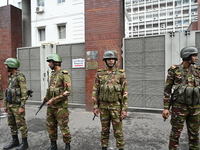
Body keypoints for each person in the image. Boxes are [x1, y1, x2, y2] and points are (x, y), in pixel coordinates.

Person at [162, 46, 200, 150]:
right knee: (175, 134)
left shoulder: (198, 71)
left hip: (195, 108)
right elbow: (167, 90)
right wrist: (166, 108)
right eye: (194, 56)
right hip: (179, 108)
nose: (196, 58)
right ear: (187, 56)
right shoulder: (175, 70)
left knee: (195, 135)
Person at [92, 50, 128, 150]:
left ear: (115, 60)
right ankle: (104, 147)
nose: (111, 61)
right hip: (103, 107)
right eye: (108, 59)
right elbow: (95, 90)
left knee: (118, 131)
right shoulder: (99, 74)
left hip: (116, 107)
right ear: (105, 61)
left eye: (112, 59)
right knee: (104, 130)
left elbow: (125, 92)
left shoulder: (121, 74)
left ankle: (121, 148)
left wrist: (124, 109)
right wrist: (95, 107)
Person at [45, 53, 71, 150]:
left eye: (50, 62)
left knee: (63, 127)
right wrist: (46, 97)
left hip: (61, 107)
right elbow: (51, 89)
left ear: (55, 62)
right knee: (51, 126)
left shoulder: (64, 74)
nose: (49, 64)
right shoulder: (52, 75)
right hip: (51, 107)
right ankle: (53, 145)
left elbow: (68, 91)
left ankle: (67, 146)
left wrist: (54, 99)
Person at [3, 58, 29, 150]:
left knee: (21, 124)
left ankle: (25, 143)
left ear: (11, 66)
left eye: (7, 65)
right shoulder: (11, 76)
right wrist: (5, 105)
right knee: (12, 124)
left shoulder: (20, 77)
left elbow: (24, 92)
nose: (5, 67)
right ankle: (15, 141)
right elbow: (8, 92)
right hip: (10, 106)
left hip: (17, 105)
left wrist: (22, 106)